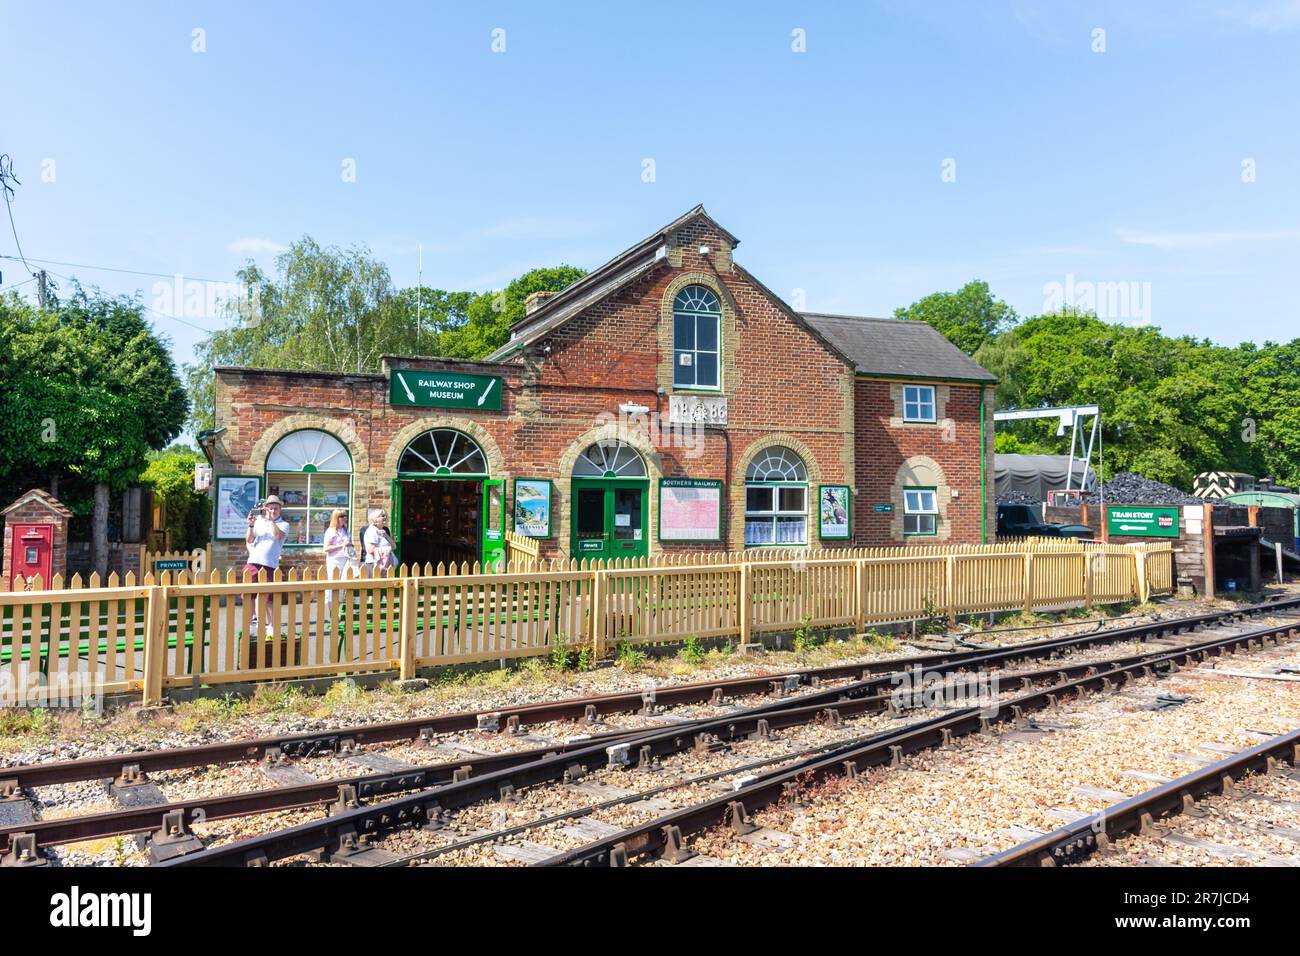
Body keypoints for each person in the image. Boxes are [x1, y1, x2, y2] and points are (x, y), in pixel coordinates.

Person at [245, 495, 289, 636]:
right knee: (249, 595)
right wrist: (251, 525)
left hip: (270, 565)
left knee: (269, 598)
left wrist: (270, 520)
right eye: (271, 508)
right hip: (253, 562)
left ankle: (271, 627)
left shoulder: (283, 524)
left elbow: (278, 536)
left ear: (280, 509)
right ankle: (251, 624)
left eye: (276, 508)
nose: (273, 510)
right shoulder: (259, 521)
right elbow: (249, 539)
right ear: (266, 508)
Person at [321, 509, 357, 621]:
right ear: (336, 518)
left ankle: (340, 611)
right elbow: (326, 548)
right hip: (334, 561)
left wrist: (350, 545)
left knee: (343, 585)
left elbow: (348, 544)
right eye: (341, 516)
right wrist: (342, 545)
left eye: (345, 516)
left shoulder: (346, 530)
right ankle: (333, 613)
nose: (344, 518)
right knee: (333, 585)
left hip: (345, 559)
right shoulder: (331, 531)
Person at [362, 508, 396, 574]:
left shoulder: (383, 531)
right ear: (375, 518)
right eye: (382, 516)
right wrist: (388, 550)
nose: (385, 517)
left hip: (385, 564)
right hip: (375, 564)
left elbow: (394, 546)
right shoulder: (372, 531)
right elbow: (371, 550)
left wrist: (386, 535)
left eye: (385, 515)